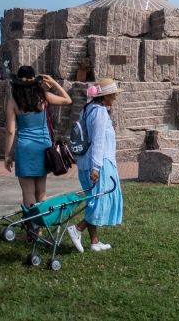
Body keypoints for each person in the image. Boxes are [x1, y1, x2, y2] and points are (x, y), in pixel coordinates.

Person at [67, 79, 123, 253]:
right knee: (101, 199)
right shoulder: (99, 112)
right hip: (99, 163)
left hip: (85, 162)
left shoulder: (87, 109)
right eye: (113, 94)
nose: (115, 97)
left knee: (93, 200)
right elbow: (98, 142)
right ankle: (77, 229)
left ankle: (94, 240)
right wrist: (97, 168)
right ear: (104, 96)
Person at [4, 67, 73, 207]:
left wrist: (7, 155)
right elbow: (67, 100)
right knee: (41, 191)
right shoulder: (44, 97)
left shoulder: (13, 102)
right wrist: (53, 82)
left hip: (25, 148)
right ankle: (41, 226)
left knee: (28, 192)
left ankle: (32, 225)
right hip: (43, 146)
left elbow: (11, 131)